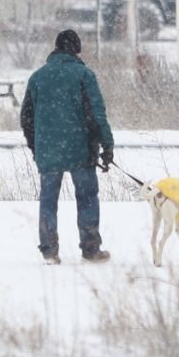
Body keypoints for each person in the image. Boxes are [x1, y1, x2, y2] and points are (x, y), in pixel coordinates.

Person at [20, 29, 114, 264]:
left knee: (48, 200)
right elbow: (97, 114)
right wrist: (107, 146)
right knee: (87, 197)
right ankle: (91, 249)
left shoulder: (37, 77)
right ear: (77, 50)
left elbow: (26, 117)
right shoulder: (84, 75)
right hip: (80, 149)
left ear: (56, 48)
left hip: (48, 150)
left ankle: (49, 250)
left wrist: (36, 145)